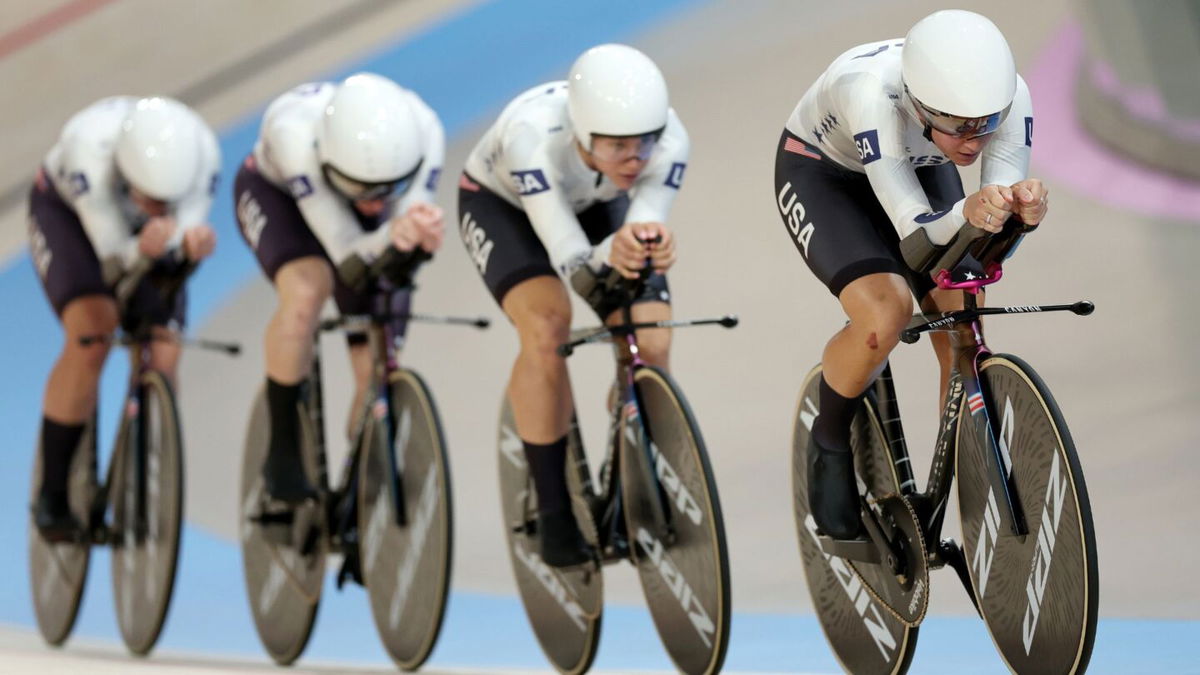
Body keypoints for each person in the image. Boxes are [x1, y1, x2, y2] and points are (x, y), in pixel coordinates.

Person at [773, 10, 1050, 539]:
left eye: (986, 123)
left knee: (962, 313)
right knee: (886, 312)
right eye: (956, 124)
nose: (973, 141)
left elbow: (987, 254)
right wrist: (973, 214)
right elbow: (917, 235)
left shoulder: (1007, 98)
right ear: (918, 104)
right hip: (825, 175)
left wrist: (1019, 215)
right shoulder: (871, 93)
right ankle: (829, 440)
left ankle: (967, 471)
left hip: (919, 162)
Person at [458, 44, 690, 567]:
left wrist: (647, 241)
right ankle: (554, 507)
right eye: (619, 147)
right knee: (547, 327)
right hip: (509, 210)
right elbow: (572, 259)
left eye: (645, 144)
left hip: (596, 203)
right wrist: (619, 252)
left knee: (651, 339)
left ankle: (635, 449)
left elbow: (641, 222)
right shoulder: (530, 140)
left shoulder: (670, 140)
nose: (637, 159)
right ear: (582, 135)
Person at [234, 73, 445, 504]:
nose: (375, 200)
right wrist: (394, 233)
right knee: (307, 292)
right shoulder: (294, 137)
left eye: (388, 190)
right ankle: (283, 447)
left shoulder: (424, 130)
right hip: (285, 200)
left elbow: (397, 225)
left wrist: (416, 236)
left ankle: (362, 468)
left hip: (360, 216)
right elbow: (347, 255)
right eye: (363, 190)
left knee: (378, 362)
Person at [29, 96, 221, 540]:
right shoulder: (88, 152)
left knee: (164, 349)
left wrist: (189, 248)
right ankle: (52, 493)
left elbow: (176, 252)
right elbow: (113, 263)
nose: (157, 207)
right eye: (148, 198)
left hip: (142, 237)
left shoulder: (201, 154)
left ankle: (145, 462)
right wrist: (144, 247)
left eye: (165, 201)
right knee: (92, 331)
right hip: (72, 220)